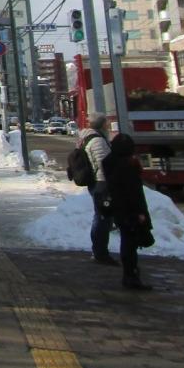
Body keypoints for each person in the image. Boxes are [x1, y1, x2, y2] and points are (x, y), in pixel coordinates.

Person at [102, 132, 154, 290]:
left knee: (127, 241)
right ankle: (131, 276)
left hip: (119, 209)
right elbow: (134, 192)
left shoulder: (110, 162)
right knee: (130, 243)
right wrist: (140, 213)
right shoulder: (127, 166)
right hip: (130, 210)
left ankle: (129, 275)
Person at [77, 114, 115, 265]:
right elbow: (104, 164)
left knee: (101, 216)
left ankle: (99, 251)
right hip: (101, 183)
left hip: (97, 182)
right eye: (107, 124)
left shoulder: (87, 138)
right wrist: (111, 182)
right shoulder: (98, 140)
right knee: (102, 218)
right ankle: (100, 252)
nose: (109, 126)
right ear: (102, 125)